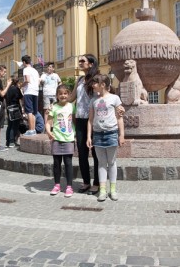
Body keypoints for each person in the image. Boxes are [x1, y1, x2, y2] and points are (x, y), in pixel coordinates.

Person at [86, 74, 125, 202]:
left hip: (111, 133)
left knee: (112, 162)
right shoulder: (93, 100)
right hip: (98, 134)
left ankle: (112, 190)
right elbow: (90, 120)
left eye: (95, 83)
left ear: (103, 85)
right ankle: (102, 190)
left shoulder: (115, 98)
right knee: (101, 163)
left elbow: (120, 118)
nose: (93, 85)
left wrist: (121, 135)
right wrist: (88, 136)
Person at [68, 54, 101, 195]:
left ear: (91, 64)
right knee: (82, 152)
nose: (80, 63)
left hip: (94, 120)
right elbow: (72, 97)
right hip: (81, 120)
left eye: (83, 61)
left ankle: (98, 183)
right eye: (79, 61)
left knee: (96, 152)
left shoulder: (98, 78)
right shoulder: (80, 79)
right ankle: (86, 181)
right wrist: (57, 104)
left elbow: (102, 96)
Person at [45, 85, 76, 197]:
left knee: (68, 163)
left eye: (65, 93)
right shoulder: (54, 107)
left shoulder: (72, 107)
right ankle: (57, 185)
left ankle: (69, 186)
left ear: (68, 95)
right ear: (57, 96)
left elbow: (75, 121)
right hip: (57, 138)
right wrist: (49, 132)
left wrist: (76, 134)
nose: (63, 95)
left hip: (69, 139)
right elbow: (48, 122)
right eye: (60, 94)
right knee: (56, 164)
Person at [21, 55, 39, 136]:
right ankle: (34, 129)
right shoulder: (35, 70)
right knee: (34, 112)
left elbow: (27, 80)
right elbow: (38, 82)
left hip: (29, 91)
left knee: (29, 111)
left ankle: (31, 130)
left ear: (24, 62)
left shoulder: (26, 69)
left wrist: (21, 85)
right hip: (36, 91)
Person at [40, 62, 62, 128]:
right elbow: (41, 81)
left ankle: (54, 125)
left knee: (55, 109)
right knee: (46, 110)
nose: (49, 68)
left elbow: (60, 82)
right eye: (48, 67)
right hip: (46, 94)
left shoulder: (56, 75)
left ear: (53, 68)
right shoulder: (44, 75)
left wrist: (59, 89)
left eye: (50, 67)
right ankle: (46, 126)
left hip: (54, 94)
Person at [5, 77, 23, 148]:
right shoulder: (16, 89)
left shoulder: (7, 89)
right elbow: (21, 98)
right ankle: (12, 141)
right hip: (15, 108)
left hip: (8, 108)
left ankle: (8, 141)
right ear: (17, 83)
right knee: (14, 125)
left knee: (9, 125)